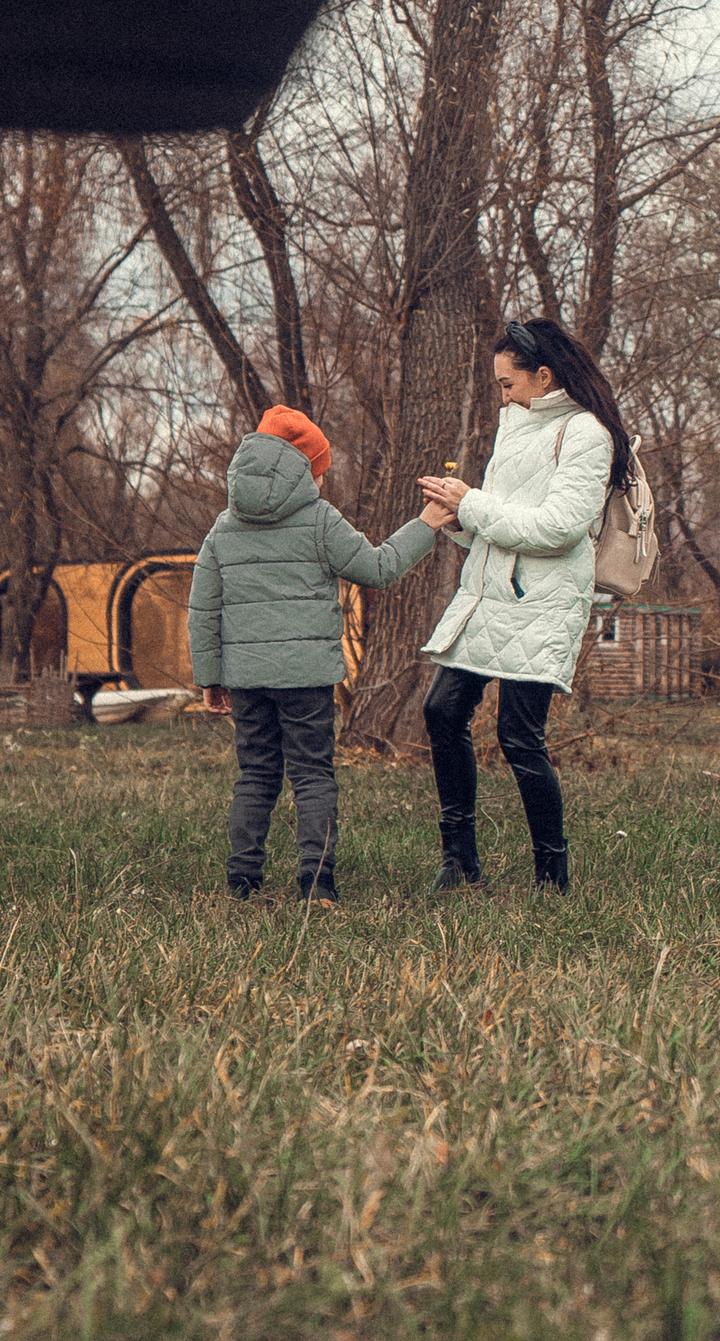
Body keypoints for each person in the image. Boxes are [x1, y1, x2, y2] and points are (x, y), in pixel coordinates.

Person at [191, 405, 456, 905]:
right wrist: (427, 523)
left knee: (256, 775)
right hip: (307, 679)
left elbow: (203, 610)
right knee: (312, 775)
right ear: (305, 469)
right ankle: (317, 885)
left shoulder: (222, 529)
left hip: (246, 678)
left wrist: (210, 677)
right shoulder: (318, 520)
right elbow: (379, 568)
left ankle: (242, 884)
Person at [416, 317, 630, 894]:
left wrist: (474, 503)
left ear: (545, 375)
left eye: (508, 383)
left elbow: (559, 529)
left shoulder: (587, 434)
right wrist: (459, 518)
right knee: (442, 711)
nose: (502, 395)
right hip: (485, 593)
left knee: (518, 736)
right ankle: (459, 863)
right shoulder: (514, 423)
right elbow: (501, 519)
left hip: (542, 601)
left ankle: (552, 873)